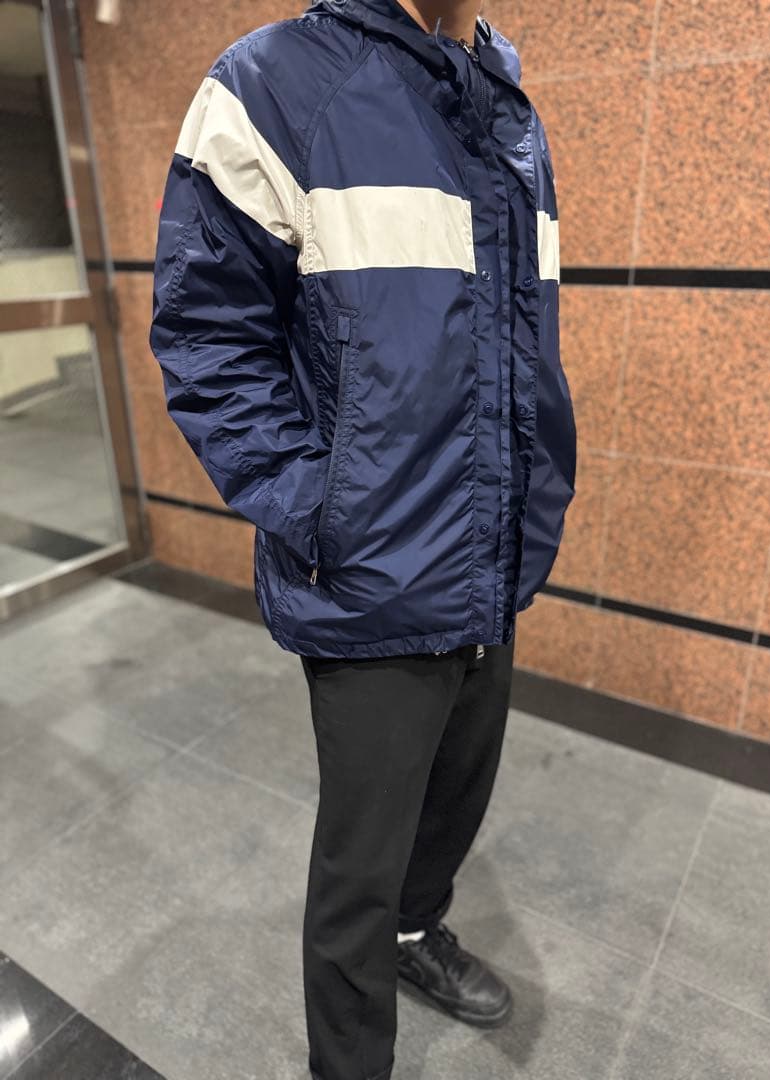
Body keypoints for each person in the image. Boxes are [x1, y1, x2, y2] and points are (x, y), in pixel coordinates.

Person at [149, 0, 576, 1076]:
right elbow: (206, 336)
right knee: (360, 866)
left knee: (454, 800)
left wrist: (532, 504)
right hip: (373, 572)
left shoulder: (510, 107)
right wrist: (326, 509)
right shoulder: (272, 84)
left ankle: (417, 933)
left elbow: (519, 335)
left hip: (491, 561)